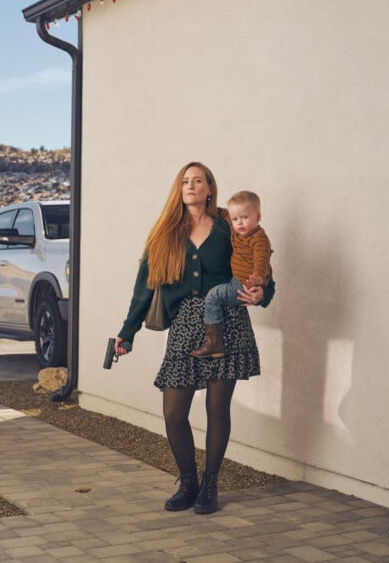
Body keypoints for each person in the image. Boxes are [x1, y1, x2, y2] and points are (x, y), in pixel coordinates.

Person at [114, 162, 275, 515]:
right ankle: (188, 481)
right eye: (185, 181)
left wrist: (263, 292)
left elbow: (260, 264)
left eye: (197, 180)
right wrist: (128, 332)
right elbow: (144, 287)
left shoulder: (226, 225)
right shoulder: (165, 233)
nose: (191, 186)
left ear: (209, 188)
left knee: (217, 408)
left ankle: (210, 483)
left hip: (229, 321)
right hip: (186, 324)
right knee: (173, 412)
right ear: (179, 189)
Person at [190, 190, 272, 358]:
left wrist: (258, 277)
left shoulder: (259, 239)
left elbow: (261, 260)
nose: (239, 223)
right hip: (237, 281)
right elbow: (222, 212)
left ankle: (214, 344)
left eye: (245, 217)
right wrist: (203, 203)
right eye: (235, 219)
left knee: (213, 296)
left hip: (243, 285)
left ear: (258, 217)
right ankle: (215, 341)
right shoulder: (235, 230)